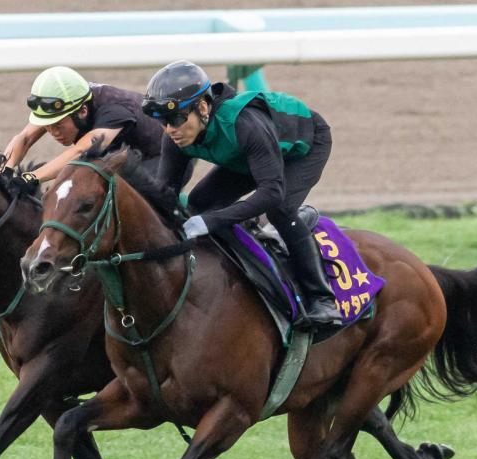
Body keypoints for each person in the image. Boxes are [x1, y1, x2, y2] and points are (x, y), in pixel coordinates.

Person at [141, 60, 341, 330]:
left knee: (279, 210)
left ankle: (322, 299)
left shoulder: (246, 125)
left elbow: (270, 192)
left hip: (304, 147)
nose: (169, 129)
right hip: (250, 157)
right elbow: (164, 195)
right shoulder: (175, 137)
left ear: (202, 108)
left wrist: (211, 222)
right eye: (162, 121)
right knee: (201, 203)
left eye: (175, 118)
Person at [0, 66, 167, 196]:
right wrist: (3, 172)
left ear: (82, 112)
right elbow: (25, 138)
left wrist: (31, 178)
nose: (53, 132)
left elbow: (80, 151)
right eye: (47, 126)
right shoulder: (72, 101)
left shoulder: (113, 111)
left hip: (160, 154)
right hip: (123, 153)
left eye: (58, 125)